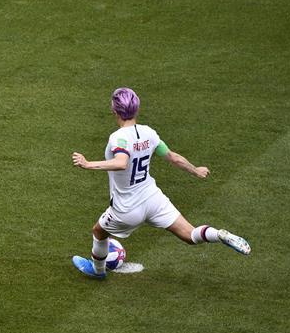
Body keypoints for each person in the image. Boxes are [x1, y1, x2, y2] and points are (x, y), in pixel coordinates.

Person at [71, 87, 250, 279]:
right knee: (189, 235)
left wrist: (88, 164)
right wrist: (195, 170)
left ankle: (98, 271)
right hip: (153, 198)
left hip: (127, 208)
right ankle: (218, 234)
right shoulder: (149, 133)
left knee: (99, 231)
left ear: (114, 111)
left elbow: (121, 162)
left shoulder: (118, 137)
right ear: (136, 109)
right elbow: (173, 157)